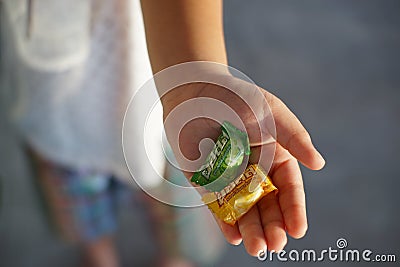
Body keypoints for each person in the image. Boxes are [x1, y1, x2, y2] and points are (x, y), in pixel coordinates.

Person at [0, 0, 325, 266]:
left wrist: (196, 77)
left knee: (179, 212)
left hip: (165, 116)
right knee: (78, 206)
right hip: (54, 111)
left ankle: (174, 256)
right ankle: (99, 253)